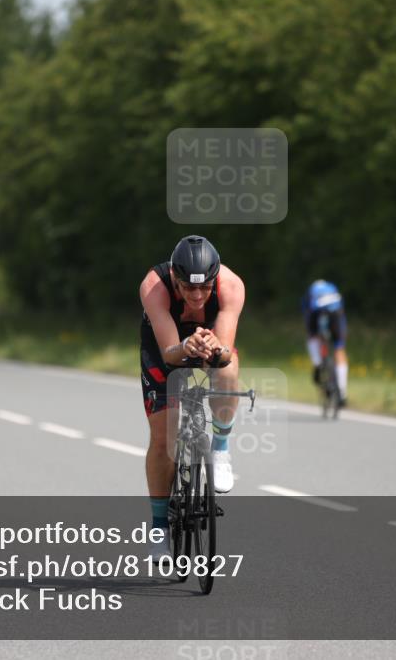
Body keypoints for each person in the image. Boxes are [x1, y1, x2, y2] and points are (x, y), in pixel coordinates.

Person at [139, 235, 245, 559]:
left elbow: (223, 354)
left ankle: (221, 449)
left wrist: (214, 350)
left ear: (214, 279)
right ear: (174, 277)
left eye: (205, 287)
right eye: (188, 287)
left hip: (210, 342)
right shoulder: (153, 286)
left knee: (228, 372)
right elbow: (170, 354)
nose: (197, 296)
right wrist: (185, 347)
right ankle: (159, 529)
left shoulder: (231, 286)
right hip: (166, 348)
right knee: (162, 438)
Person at [302, 279, 348, 407]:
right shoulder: (333, 288)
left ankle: (317, 364)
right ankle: (342, 392)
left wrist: (312, 332)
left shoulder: (310, 292)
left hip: (316, 314)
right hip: (336, 315)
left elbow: (306, 312)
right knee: (339, 349)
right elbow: (342, 310)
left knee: (313, 338)